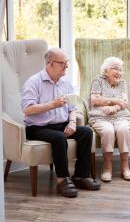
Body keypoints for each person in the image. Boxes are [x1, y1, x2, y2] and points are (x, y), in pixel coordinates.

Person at [21, 48, 100, 198]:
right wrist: (52, 105)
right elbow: (27, 109)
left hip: (61, 124)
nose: (66, 66)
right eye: (62, 63)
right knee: (59, 137)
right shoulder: (33, 82)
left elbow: (72, 107)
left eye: (67, 63)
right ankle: (62, 179)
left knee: (86, 132)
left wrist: (71, 123)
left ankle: (81, 176)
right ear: (50, 64)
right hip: (37, 127)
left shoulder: (66, 82)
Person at [88, 56, 130, 182]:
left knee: (124, 129)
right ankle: (107, 167)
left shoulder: (123, 83)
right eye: (115, 69)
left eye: (120, 70)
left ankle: (125, 166)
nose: (119, 72)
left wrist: (115, 108)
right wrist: (115, 101)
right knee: (108, 130)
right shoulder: (97, 80)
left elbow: (125, 102)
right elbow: (95, 100)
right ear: (106, 70)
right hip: (100, 117)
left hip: (120, 116)